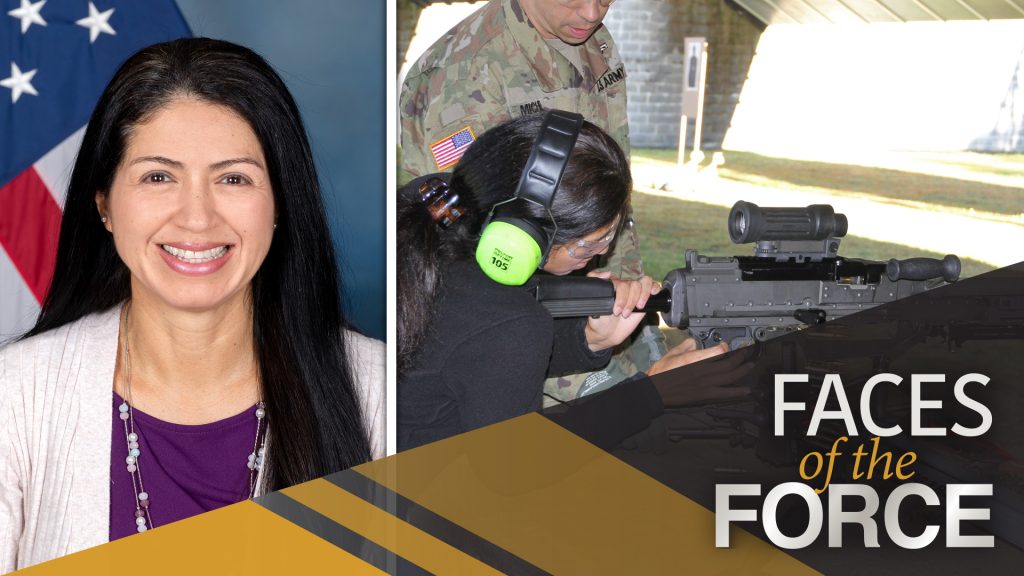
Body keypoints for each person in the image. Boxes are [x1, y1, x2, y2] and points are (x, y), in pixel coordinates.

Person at [0, 38, 383, 572]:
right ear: (104, 203)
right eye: (158, 176)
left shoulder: (380, 393)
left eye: (233, 178)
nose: (197, 217)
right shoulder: (16, 396)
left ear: (280, 203)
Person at [397, 113, 733, 452]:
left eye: (611, 235)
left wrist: (588, 339)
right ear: (522, 237)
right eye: (589, 245)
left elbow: (478, 359)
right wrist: (653, 392)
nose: (603, 252)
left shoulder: (431, 211)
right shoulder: (508, 322)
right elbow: (520, 467)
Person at [400, 0, 667, 407]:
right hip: (533, 342)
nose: (592, 13)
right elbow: (490, 261)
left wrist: (622, 312)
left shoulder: (590, 39)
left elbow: (605, 193)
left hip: (610, 306)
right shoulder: (464, 74)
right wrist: (592, 380)